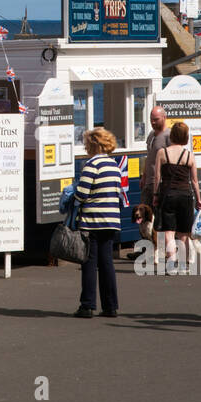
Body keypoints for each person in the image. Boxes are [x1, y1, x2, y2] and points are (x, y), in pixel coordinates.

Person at [72, 127, 124, 318]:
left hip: (92, 220)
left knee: (89, 263)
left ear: (93, 144)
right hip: (111, 220)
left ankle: (87, 305)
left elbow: (82, 194)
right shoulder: (113, 165)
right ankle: (110, 306)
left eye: (86, 143)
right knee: (107, 263)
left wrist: (74, 195)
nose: (85, 147)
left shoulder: (91, 165)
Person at [153, 121, 201, 274]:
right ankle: (182, 265)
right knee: (183, 232)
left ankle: (171, 262)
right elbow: (194, 181)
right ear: (185, 136)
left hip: (167, 194)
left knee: (169, 232)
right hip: (185, 195)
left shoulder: (162, 153)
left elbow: (157, 177)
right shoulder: (189, 155)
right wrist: (199, 199)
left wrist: (155, 195)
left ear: (172, 135)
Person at [137, 106, 169, 255]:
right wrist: (143, 175)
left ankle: (160, 250)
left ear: (164, 118)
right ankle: (146, 249)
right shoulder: (151, 135)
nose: (153, 122)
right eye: (151, 119)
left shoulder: (168, 136)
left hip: (160, 183)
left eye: (156, 119)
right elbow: (148, 157)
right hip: (148, 181)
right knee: (143, 217)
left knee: (159, 217)